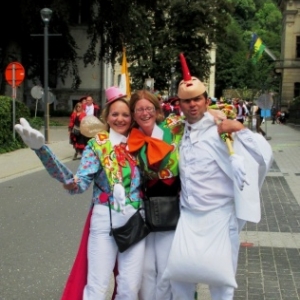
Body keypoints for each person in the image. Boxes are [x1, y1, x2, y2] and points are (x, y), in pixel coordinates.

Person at [14, 86, 146, 300]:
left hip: (136, 221)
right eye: (115, 114)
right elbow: (77, 183)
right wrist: (42, 151)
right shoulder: (97, 145)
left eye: (125, 114)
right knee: (97, 287)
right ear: (106, 117)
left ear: (132, 118)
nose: (120, 119)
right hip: (104, 221)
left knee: (130, 288)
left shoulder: (139, 145)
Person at [164, 53, 273, 300]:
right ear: (179, 104)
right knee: (180, 280)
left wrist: (241, 129)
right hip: (189, 217)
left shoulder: (220, 129)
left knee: (222, 285)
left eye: (197, 99)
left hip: (220, 218)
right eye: (186, 101)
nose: (192, 105)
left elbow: (262, 154)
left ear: (205, 100)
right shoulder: (178, 131)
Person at [126, 88, 224, 300]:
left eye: (149, 108)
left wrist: (216, 113)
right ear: (133, 113)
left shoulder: (173, 127)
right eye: (139, 109)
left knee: (166, 269)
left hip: (172, 208)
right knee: (145, 271)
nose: (144, 113)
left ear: (157, 110)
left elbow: (200, 114)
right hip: (143, 210)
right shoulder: (130, 137)